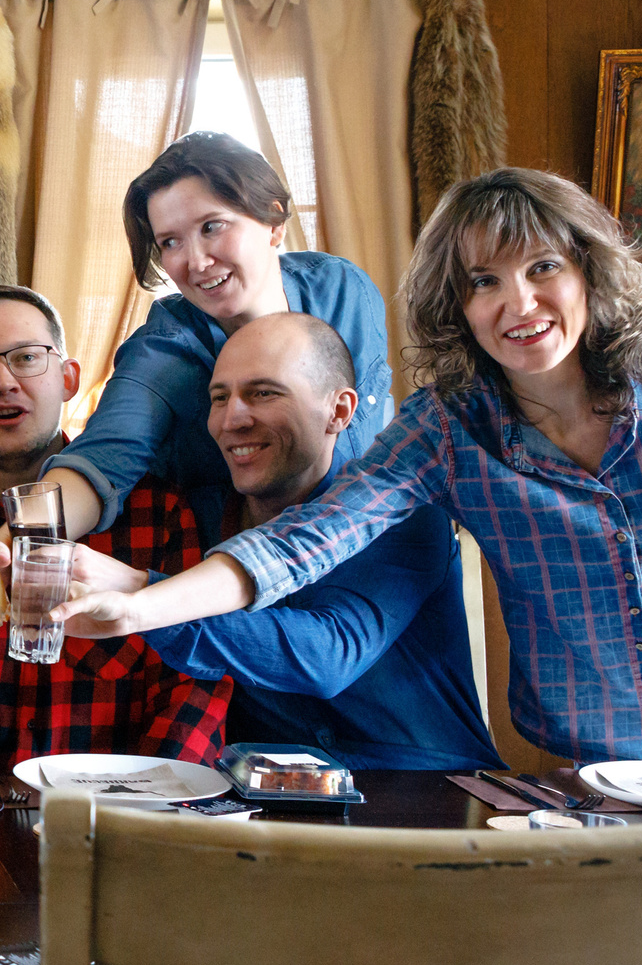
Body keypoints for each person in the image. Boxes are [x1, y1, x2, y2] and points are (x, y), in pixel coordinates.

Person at [57, 168, 642, 770]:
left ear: (588, 270)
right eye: (484, 281)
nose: (519, 302)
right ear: (458, 304)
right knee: (634, 958)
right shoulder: (447, 431)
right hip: (605, 761)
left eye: (544, 266)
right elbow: (303, 541)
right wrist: (137, 601)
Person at [0, 285, 229, 769]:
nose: (3, 382)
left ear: (69, 379)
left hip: (116, 816)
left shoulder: (155, 513)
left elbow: (194, 686)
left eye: (27, 357)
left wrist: (151, 815)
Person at [108, 312, 495, 769]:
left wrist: (144, 599)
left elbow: (327, 656)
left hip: (430, 798)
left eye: (264, 393)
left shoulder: (405, 517)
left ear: (340, 411)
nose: (232, 419)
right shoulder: (194, 517)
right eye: (219, 397)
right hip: (267, 806)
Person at [30, 131, 391, 539]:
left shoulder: (344, 288)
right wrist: (10, 548)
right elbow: (101, 459)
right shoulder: (164, 349)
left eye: (212, 227)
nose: (196, 262)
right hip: (237, 581)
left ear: (273, 223)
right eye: (170, 241)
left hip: (385, 548)